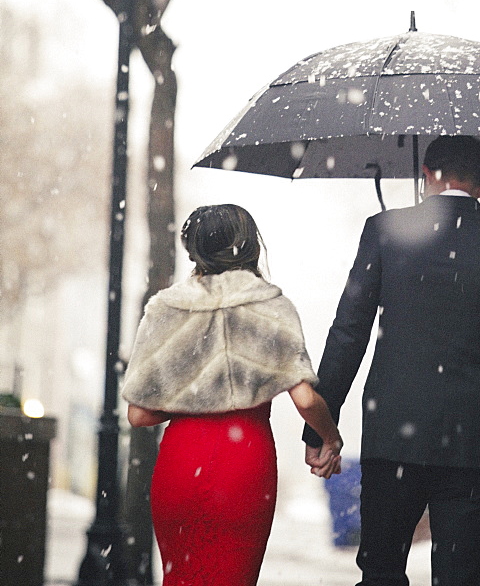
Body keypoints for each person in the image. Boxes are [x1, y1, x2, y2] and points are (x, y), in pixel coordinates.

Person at [303, 135, 480, 586]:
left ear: (425, 175)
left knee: (382, 571)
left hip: (394, 434)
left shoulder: (384, 230)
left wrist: (319, 427)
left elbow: (349, 333)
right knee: (461, 577)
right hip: (475, 440)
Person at [122, 203, 342, 586]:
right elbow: (305, 399)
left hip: (181, 463)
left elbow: (139, 415)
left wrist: (192, 401)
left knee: (182, 577)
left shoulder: (166, 308)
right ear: (250, 246)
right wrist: (330, 436)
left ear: (193, 249)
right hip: (244, 467)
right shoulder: (271, 306)